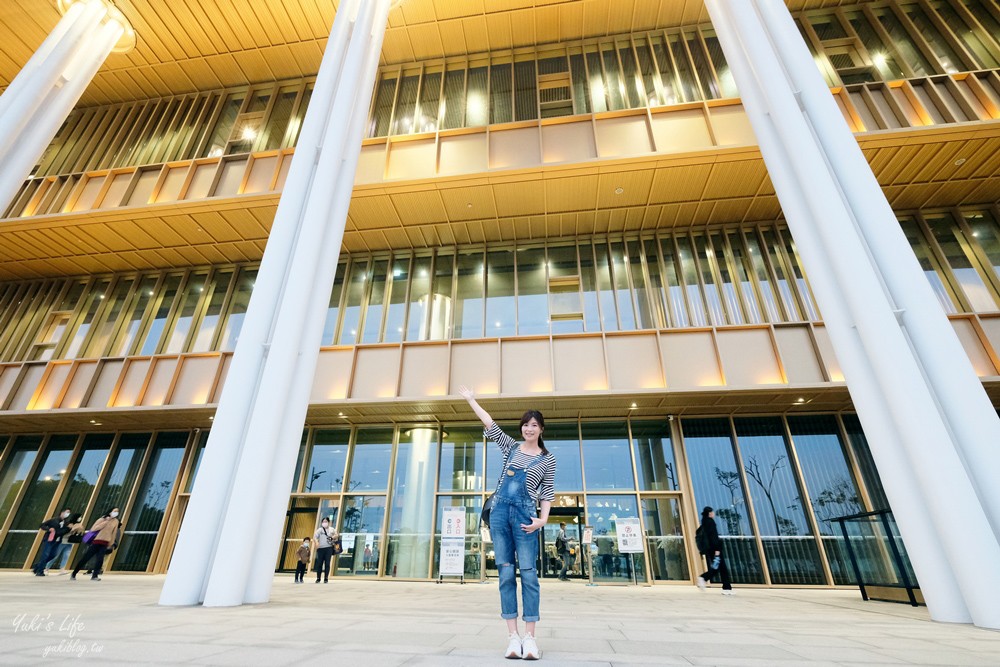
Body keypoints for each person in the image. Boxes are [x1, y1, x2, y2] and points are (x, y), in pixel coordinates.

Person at [460, 385, 556, 661]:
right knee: (504, 574)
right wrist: (471, 400)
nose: (529, 429)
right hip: (500, 514)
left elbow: (547, 492)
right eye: (526, 424)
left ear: (541, 429)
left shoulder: (547, 460)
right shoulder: (510, 447)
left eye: (534, 425)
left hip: (527, 517)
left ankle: (531, 638)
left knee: (528, 574)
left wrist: (543, 520)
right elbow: (489, 423)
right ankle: (512, 637)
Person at [71, 508, 121, 581]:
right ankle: (74, 573)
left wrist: (111, 543)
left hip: (105, 542)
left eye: (117, 512)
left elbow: (114, 533)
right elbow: (94, 528)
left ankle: (95, 575)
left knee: (100, 559)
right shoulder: (102, 519)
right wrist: (106, 521)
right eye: (114, 511)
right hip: (96, 541)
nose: (116, 513)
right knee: (86, 558)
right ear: (110, 512)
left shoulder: (116, 521)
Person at [696, 506, 734, 595]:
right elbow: (713, 537)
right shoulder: (710, 522)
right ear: (710, 513)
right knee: (719, 568)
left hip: (710, 549)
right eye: (713, 512)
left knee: (719, 567)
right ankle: (704, 578)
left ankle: (727, 588)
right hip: (715, 549)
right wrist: (717, 549)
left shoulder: (704, 523)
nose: (714, 514)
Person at [33, 509, 73, 576]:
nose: (68, 514)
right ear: (62, 512)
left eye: (69, 513)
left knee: (53, 555)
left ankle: (38, 566)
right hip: (50, 539)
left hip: (58, 541)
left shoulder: (66, 522)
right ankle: (40, 571)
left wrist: (69, 528)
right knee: (45, 554)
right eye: (67, 512)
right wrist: (49, 529)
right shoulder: (54, 520)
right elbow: (42, 525)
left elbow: (63, 532)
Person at [313, 518, 337, 583]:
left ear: (329, 522)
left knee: (327, 563)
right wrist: (316, 542)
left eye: (326, 521)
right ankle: (318, 578)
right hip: (320, 549)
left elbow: (336, 535)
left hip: (329, 548)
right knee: (319, 563)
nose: (324, 523)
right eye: (323, 521)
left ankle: (326, 578)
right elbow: (315, 537)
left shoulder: (332, 529)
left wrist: (332, 537)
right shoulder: (320, 530)